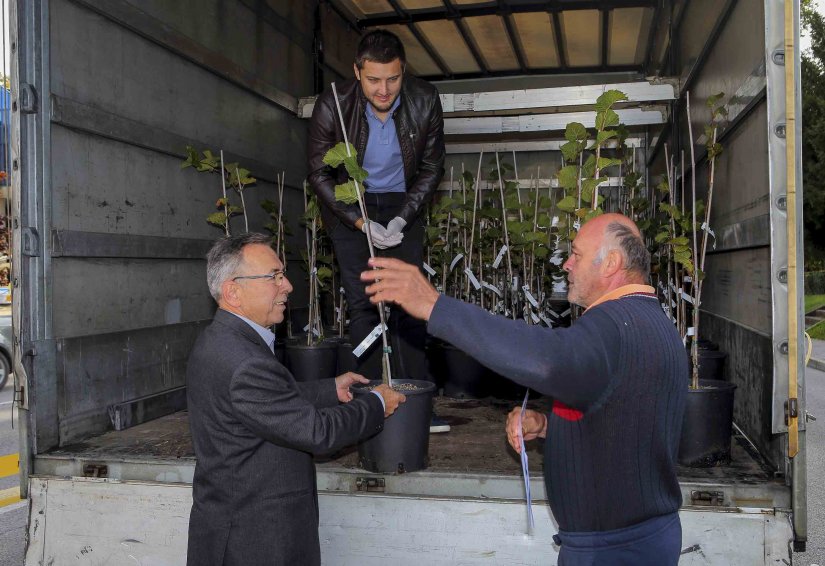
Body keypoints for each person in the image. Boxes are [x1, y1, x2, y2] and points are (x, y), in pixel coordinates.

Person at [360, 213, 687, 565]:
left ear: (611, 263)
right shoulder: (650, 321)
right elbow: (625, 416)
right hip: (637, 538)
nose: (567, 264)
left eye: (576, 254)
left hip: (613, 550)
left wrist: (434, 306)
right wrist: (548, 426)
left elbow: (547, 361)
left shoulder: (612, 325)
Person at [186, 233, 405, 566]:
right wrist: (376, 403)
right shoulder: (245, 361)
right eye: (273, 276)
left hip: (236, 528)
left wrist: (330, 389)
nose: (287, 285)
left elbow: (263, 403)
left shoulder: (220, 341)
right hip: (255, 543)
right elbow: (317, 432)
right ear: (233, 291)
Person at [307, 30, 446, 431]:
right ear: (357, 72)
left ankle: (417, 402)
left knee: (410, 302)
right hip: (352, 204)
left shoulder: (425, 99)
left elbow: (432, 167)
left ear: (404, 71)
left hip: (405, 204)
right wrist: (359, 220)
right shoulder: (333, 103)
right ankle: (369, 405)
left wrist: (403, 217)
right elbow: (318, 172)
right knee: (365, 304)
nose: (383, 90)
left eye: (393, 79)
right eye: (373, 80)